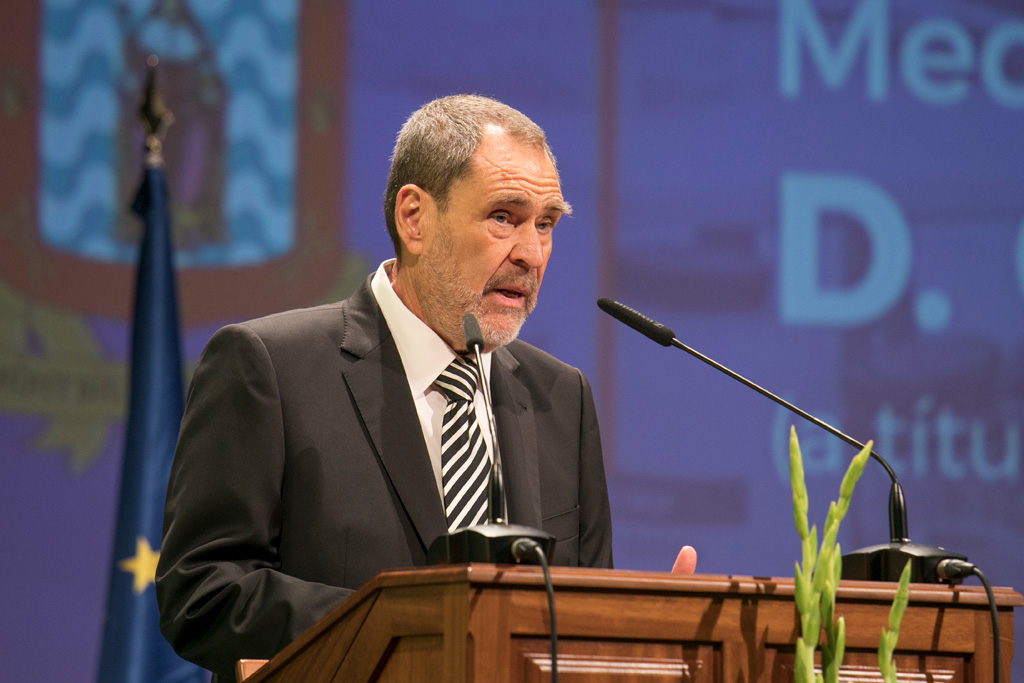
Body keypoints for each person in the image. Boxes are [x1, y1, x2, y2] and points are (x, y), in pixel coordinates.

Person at [155, 94, 695, 680]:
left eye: (546, 224)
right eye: (503, 218)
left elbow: (571, 626)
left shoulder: (561, 397)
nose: (532, 254)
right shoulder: (270, 367)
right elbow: (202, 593)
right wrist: (411, 628)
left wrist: (638, 632)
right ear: (414, 218)